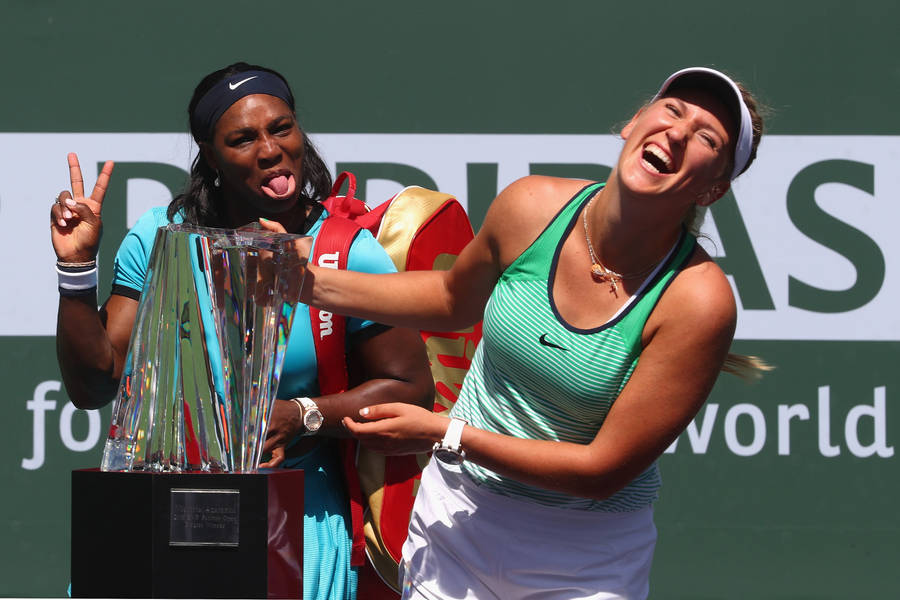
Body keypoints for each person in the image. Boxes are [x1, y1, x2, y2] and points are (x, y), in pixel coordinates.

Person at [276, 66, 765, 599]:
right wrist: (309, 282)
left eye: (706, 137)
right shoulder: (531, 206)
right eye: (672, 110)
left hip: (583, 559)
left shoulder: (698, 300)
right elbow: (449, 300)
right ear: (633, 123)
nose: (677, 132)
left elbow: (601, 471)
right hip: (457, 522)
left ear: (714, 189)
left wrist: (445, 433)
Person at [51, 62, 434, 600]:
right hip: (157, 512)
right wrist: (76, 271)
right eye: (242, 139)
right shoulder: (160, 236)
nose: (270, 149)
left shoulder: (346, 252)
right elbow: (93, 386)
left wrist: (302, 415)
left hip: (292, 520)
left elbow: (411, 389)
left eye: (281, 128)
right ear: (209, 156)